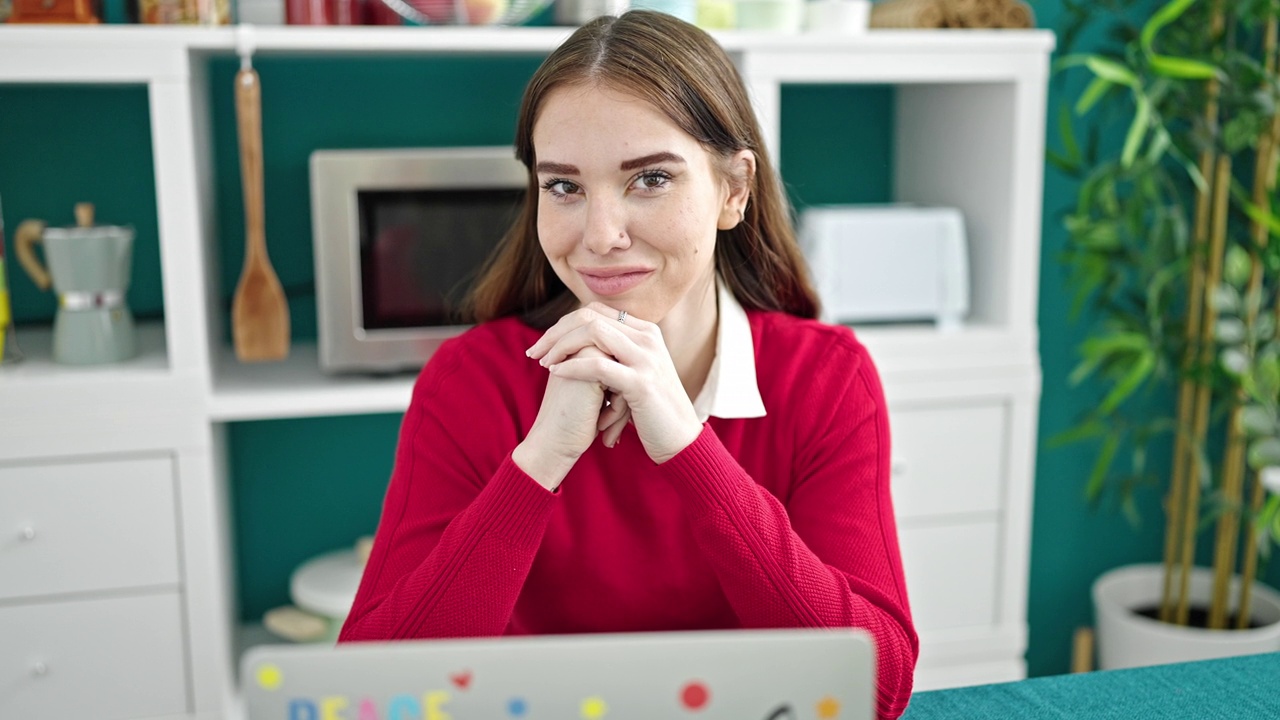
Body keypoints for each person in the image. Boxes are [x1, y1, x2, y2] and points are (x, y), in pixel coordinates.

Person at [339, 10, 918, 717]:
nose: (601, 235)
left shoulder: (824, 379)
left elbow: (878, 690)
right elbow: (370, 692)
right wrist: (541, 460)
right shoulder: (471, 384)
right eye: (564, 187)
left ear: (733, 190)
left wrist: (689, 450)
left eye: (649, 179)